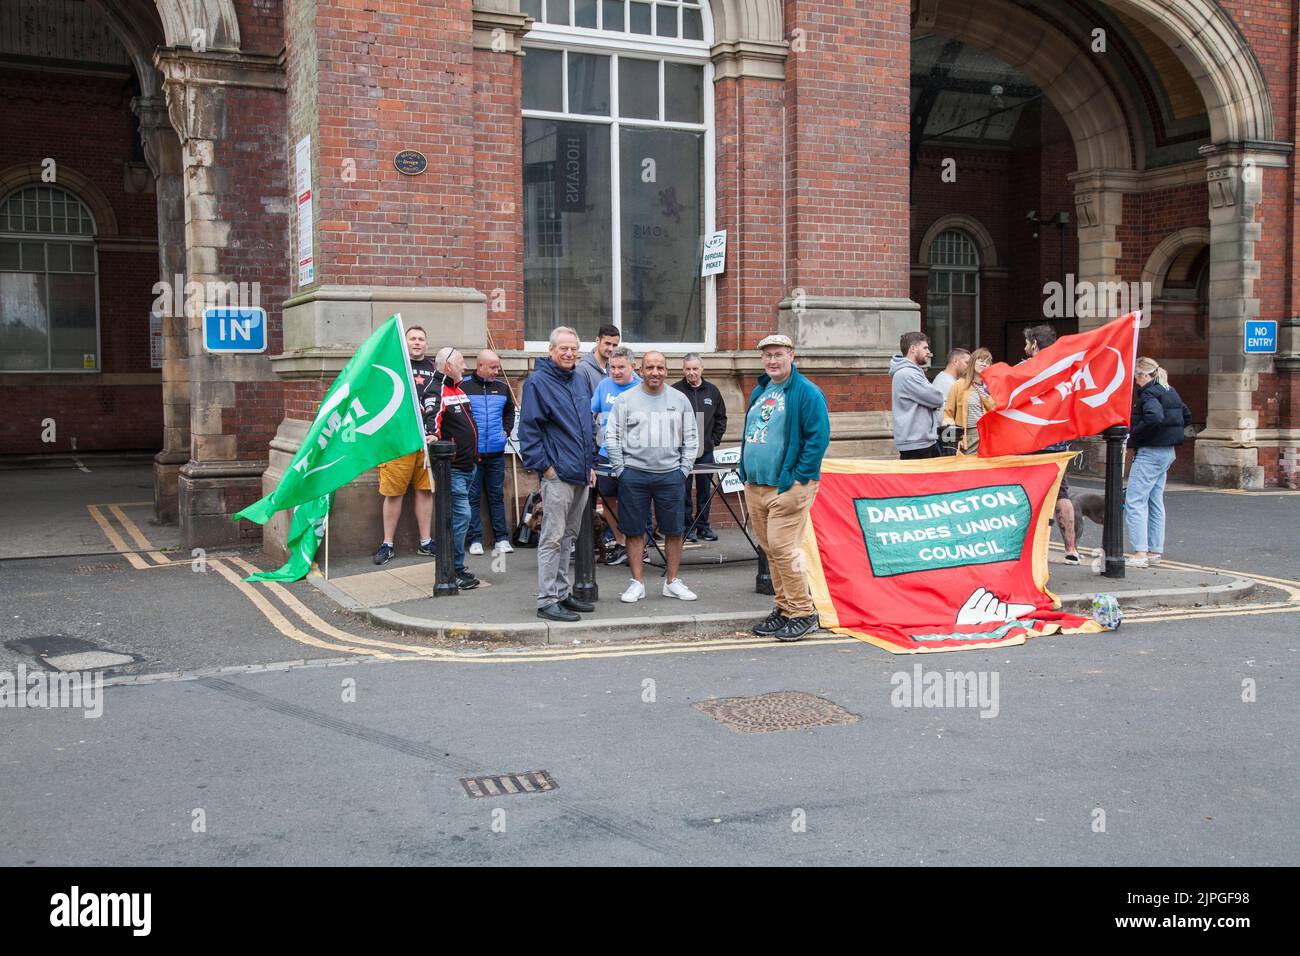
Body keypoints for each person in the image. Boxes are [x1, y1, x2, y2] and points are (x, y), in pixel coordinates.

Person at [739, 334, 830, 642]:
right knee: (771, 550)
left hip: (787, 487)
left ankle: (803, 612)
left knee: (783, 548)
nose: (772, 360)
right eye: (767, 356)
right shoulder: (762, 389)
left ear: (792, 355)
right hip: (756, 485)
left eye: (778, 354)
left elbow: (817, 439)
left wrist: (798, 478)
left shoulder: (807, 393)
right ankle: (785, 608)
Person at [605, 350, 699, 603]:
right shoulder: (625, 400)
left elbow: (691, 438)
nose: (654, 372)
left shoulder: (679, 400)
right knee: (634, 531)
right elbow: (611, 436)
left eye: (659, 367)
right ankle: (637, 583)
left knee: (674, 530)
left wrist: (683, 470)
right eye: (649, 367)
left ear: (666, 371)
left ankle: (672, 582)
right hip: (633, 475)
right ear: (640, 370)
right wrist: (621, 469)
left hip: (671, 475)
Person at [520, 326, 598, 623]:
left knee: (569, 537)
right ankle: (546, 600)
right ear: (550, 351)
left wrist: (590, 464)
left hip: (580, 473)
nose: (568, 353)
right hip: (557, 476)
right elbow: (529, 431)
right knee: (552, 539)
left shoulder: (579, 379)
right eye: (563, 348)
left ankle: (562, 594)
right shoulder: (537, 382)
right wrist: (546, 468)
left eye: (573, 348)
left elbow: (587, 426)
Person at [374, 324, 436, 565]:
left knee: (425, 490)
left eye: (421, 339)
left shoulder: (434, 369)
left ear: (426, 344)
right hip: (398, 442)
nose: (417, 342)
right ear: (405, 342)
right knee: (393, 492)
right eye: (412, 339)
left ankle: (425, 542)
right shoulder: (395, 367)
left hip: (425, 442)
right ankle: (387, 543)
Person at [1124, 357, 1191, 567]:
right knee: (1154, 501)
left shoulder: (1149, 393)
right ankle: (1154, 551)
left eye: (1136, 376)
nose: (1135, 381)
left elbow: (1153, 418)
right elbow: (1186, 415)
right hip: (1167, 452)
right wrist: (1167, 433)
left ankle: (1140, 553)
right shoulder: (1169, 390)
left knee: (1134, 501)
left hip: (1150, 453)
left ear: (1144, 375)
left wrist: (1134, 436)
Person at [422, 347, 480, 590]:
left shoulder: (458, 388)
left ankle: (455, 566)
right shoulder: (435, 390)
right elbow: (432, 419)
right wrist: (433, 435)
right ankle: (452, 569)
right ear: (447, 366)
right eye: (461, 363)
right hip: (453, 469)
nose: (465, 367)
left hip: (469, 466)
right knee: (461, 516)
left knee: (460, 517)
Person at [1023, 324, 1081, 564]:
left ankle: (1031, 548)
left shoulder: (1028, 368)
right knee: (1061, 493)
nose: (1025, 347)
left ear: (1035, 344)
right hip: (1058, 441)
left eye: (1027, 343)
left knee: (1031, 494)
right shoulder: (1063, 367)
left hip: (1032, 440)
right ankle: (1071, 548)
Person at [461, 348, 516, 557]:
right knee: (472, 496)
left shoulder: (502, 387)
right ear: (480, 366)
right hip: (472, 454)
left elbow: (510, 410)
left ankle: (502, 538)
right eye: (493, 367)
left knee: (496, 496)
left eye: (498, 367)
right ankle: (475, 539)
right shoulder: (463, 386)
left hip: (495, 451)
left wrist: (506, 431)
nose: (496, 371)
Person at [590, 346, 640, 565]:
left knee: (635, 502)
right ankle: (620, 542)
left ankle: (639, 546)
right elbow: (590, 414)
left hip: (634, 457)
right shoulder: (603, 386)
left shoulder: (643, 387)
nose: (616, 371)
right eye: (612, 367)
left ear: (633, 367)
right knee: (608, 499)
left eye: (621, 367)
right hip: (605, 453)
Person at [673, 352, 728, 542]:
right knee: (683, 491)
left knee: (705, 491)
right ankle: (687, 528)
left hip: (705, 451)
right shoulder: (676, 391)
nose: (691, 373)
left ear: (702, 369)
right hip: (683, 452)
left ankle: (703, 527)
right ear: (683, 370)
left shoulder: (712, 391)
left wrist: (714, 440)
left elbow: (721, 417)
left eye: (695, 369)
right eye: (687, 369)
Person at [890, 331, 946, 458]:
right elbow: (937, 398)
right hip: (916, 443)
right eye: (925, 348)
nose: (929, 352)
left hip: (920, 441)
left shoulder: (911, 372)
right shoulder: (908, 374)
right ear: (913, 349)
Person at [942, 347, 995, 455]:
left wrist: (986, 392)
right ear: (973, 362)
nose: (984, 364)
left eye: (987, 362)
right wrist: (954, 439)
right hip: (967, 435)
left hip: (986, 435)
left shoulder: (990, 387)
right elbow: (948, 413)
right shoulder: (959, 385)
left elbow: (995, 410)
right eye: (981, 360)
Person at [932, 348, 971, 439]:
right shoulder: (945, 382)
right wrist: (953, 439)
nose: (969, 367)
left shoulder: (947, 380)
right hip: (947, 437)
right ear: (955, 361)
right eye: (967, 363)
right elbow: (942, 415)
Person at [575, 323, 620, 397]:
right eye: (607, 343)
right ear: (597, 340)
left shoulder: (615, 367)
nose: (611, 349)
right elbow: (581, 401)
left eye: (614, 345)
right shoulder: (582, 369)